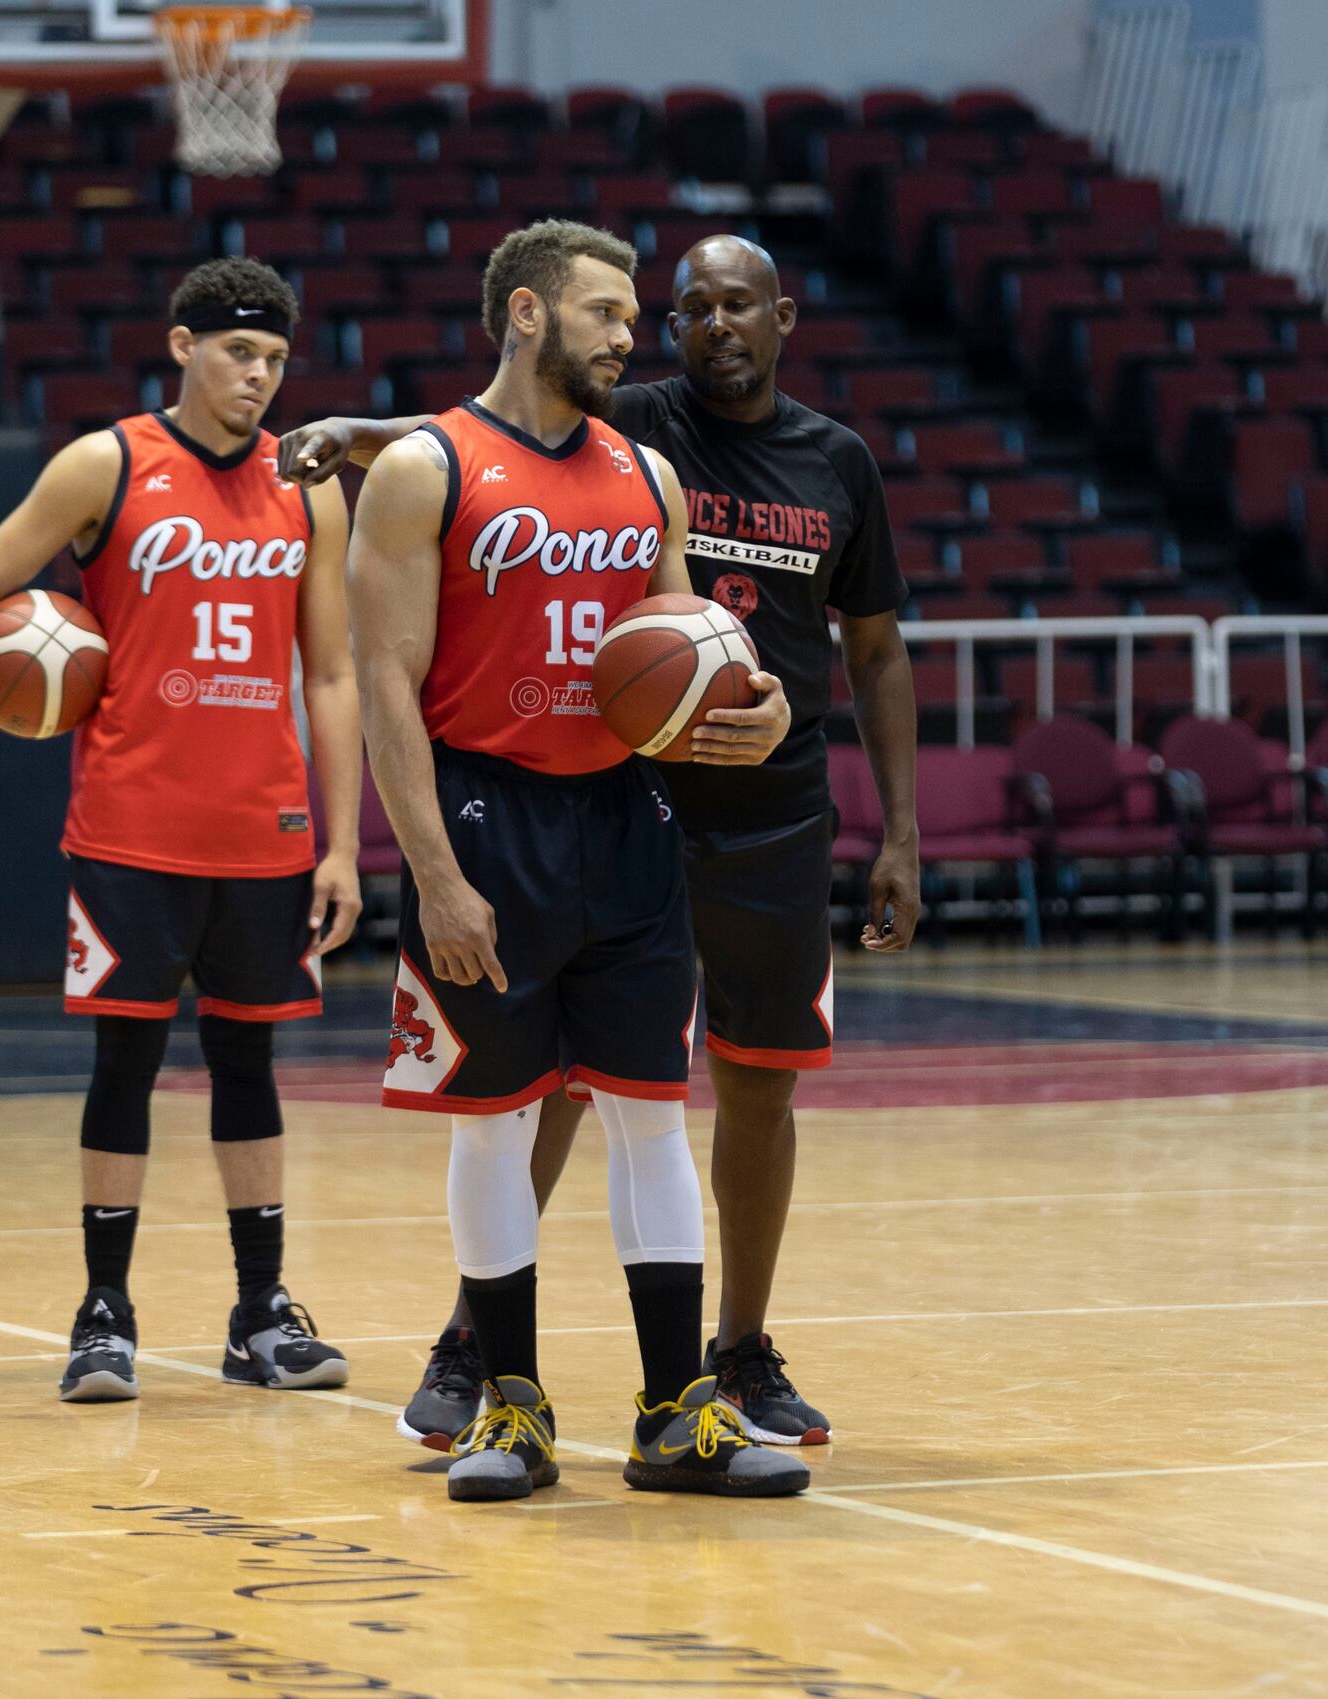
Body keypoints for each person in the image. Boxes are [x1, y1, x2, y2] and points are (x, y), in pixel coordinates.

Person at [283, 233, 917, 1450]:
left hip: (692, 811)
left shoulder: (741, 468)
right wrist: (429, 867)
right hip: (532, 806)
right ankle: (490, 1376)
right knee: (519, 1103)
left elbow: (786, 647)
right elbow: (404, 639)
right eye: (637, 311)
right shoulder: (526, 449)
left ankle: (706, 1380)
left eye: (659, 312)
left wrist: (816, 756)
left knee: (687, 1098)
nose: (660, 330)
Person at [346, 217, 806, 1500]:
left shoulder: (647, 476)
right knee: (496, 1125)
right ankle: (511, 1409)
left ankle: (677, 1413)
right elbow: (384, 683)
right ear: (530, 314)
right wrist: (432, 872)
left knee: (652, 1113)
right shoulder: (424, 468)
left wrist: (751, 707)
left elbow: (688, 648)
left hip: (624, 818)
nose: (631, 333)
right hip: (485, 820)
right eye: (607, 311)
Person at [0, 258, 361, 1401]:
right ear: (182, 345)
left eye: (273, 359)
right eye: (236, 352)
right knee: (128, 1060)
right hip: (130, 825)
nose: (256, 375)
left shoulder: (310, 484)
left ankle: (262, 1309)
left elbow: (336, 673)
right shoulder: (105, 463)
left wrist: (345, 843)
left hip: (266, 827)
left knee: (250, 1062)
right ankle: (104, 1311)